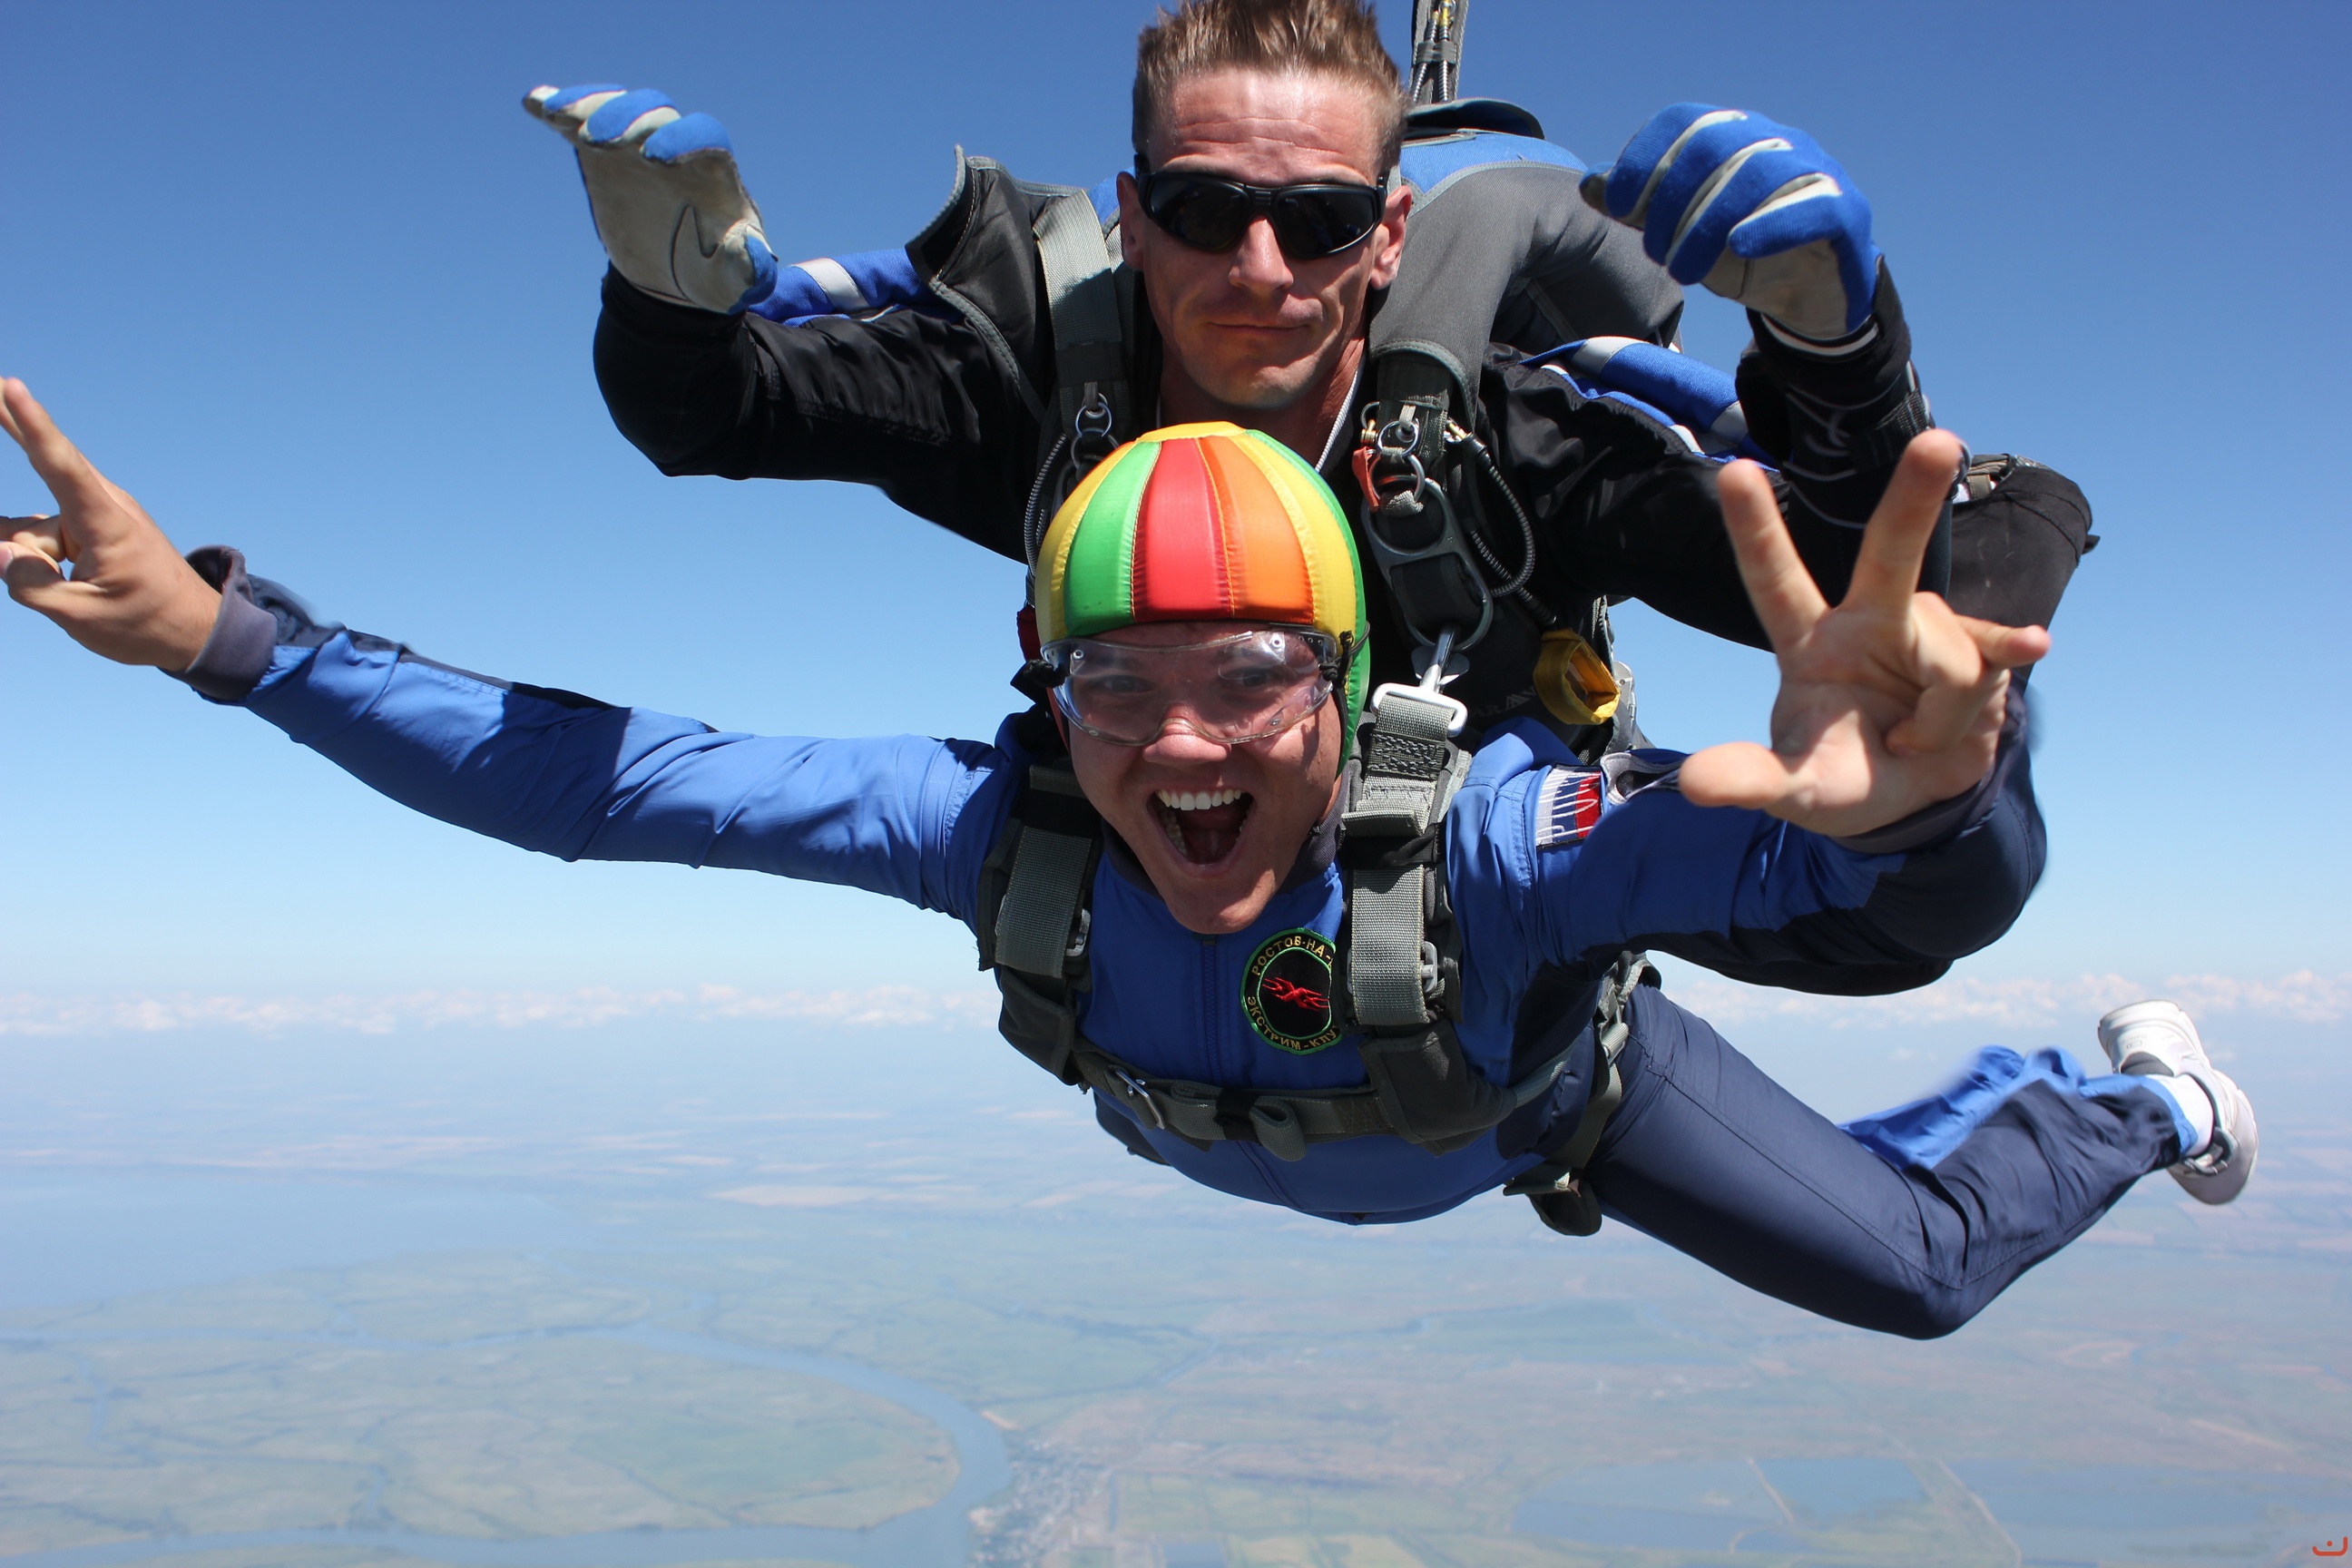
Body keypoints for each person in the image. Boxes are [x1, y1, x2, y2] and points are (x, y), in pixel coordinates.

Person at [0, 385, 2251, 1338]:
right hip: (1407, 1117)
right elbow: (609, 783)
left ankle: (2140, 1100)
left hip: (1558, 1109)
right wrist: (229, 645)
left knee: (1921, 1274)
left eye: (1250, 674)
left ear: (1347, 685)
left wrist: (1944, 794)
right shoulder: (1000, 832)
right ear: (1046, 692)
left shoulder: (1495, 854)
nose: (1177, 742)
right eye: (1115, 680)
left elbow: (1875, 896)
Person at [542, 0, 2093, 751]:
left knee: (1900, 1208)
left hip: (1485, 888)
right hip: (1196, 912)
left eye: (1323, 221)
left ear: (1390, 235)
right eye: (1204, 209)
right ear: (1132, 214)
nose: (1262, 269)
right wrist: (666, 303)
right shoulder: (1048, 405)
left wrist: (1839, 351)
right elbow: (718, 411)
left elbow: (1843, 592)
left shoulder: (1492, 445)